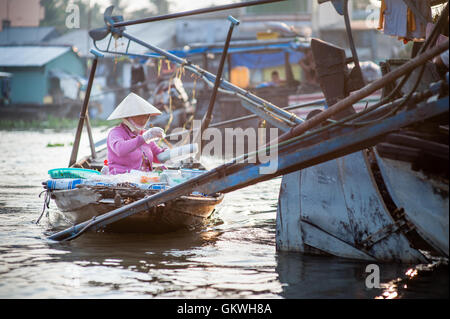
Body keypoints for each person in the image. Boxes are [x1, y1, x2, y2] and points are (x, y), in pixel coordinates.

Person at [106, 92, 166, 175]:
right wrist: (144, 138)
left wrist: (172, 153)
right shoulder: (116, 133)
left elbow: (158, 155)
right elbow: (120, 149)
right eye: (138, 117)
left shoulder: (145, 134)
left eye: (144, 116)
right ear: (127, 118)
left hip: (143, 179)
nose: (142, 120)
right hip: (122, 179)